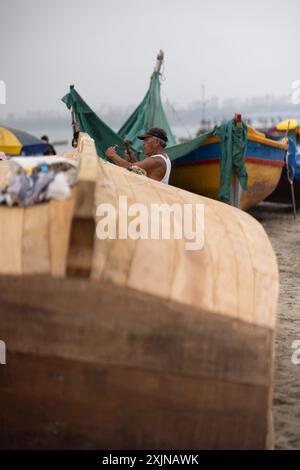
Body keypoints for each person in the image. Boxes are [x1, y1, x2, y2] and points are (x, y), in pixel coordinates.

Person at [105, 127, 171, 184]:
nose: (144, 144)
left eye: (146, 140)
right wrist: (133, 159)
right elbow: (142, 169)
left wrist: (113, 155)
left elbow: (129, 167)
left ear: (156, 142)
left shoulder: (156, 160)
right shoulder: (164, 157)